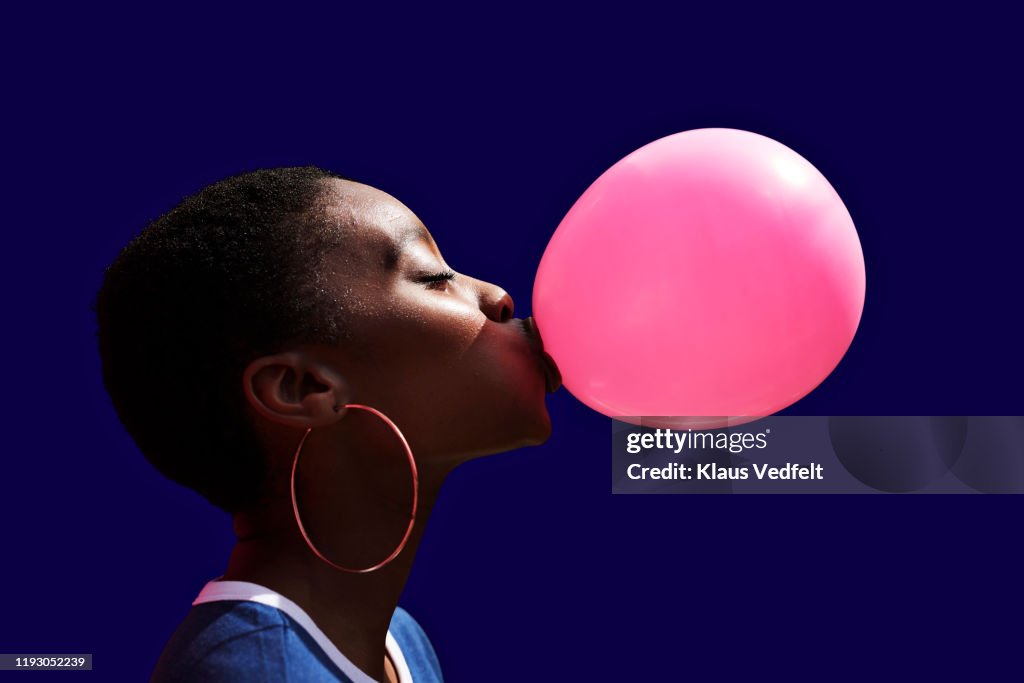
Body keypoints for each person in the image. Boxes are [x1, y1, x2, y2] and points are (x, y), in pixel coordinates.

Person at [94, 167, 562, 682]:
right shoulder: (247, 674)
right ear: (304, 389)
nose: (498, 297)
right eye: (433, 275)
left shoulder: (401, 643)